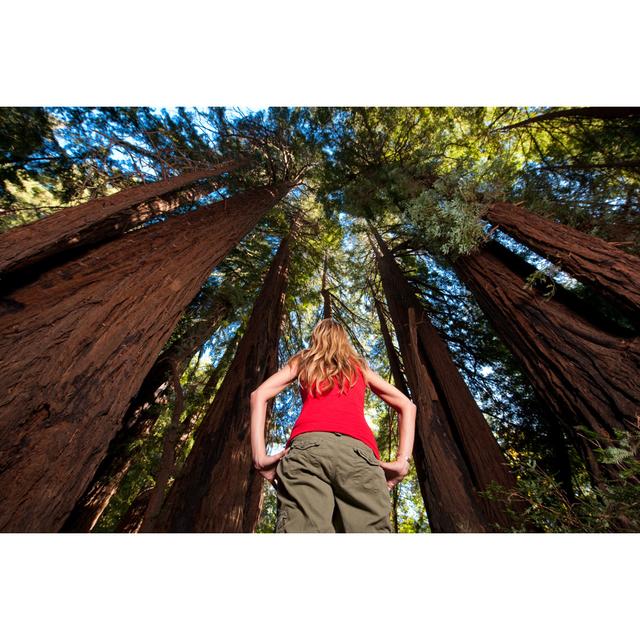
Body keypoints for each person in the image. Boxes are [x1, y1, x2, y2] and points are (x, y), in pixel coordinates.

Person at [250, 317, 417, 533]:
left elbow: (258, 394)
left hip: (307, 450)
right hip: (359, 455)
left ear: (316, 338)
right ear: (343, 340)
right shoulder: (358, 366)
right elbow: (407, 405)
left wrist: (259, 458)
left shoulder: (304, 359)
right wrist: (402, 461)